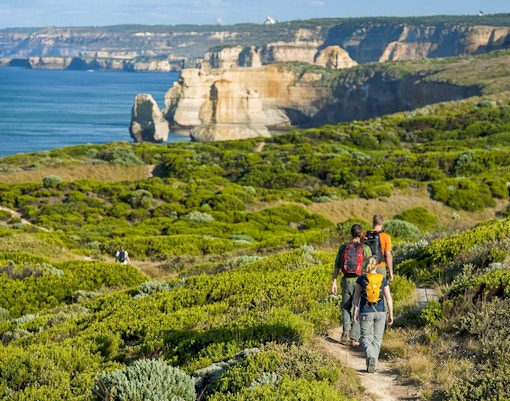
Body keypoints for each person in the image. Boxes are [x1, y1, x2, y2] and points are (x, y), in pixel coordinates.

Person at [332, 223, 372, 347]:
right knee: (358, 307)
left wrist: (334, 281)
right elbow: (370, 266)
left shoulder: (343, 247)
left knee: (345, 306)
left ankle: (346, 330)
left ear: (351, 233)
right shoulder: (365, 248)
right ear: (361, 234)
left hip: (346, 281)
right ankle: (354, 338)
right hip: (360, 282)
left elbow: (337, 265)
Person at [352, 255, 394, 373]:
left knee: (365, 338)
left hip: (366, 311)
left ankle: (371, 358)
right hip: (380, 311)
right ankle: (373, 365)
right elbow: (388, 298)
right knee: (377, 339)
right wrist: (390, 313)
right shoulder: (382, 278)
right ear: (377, 266)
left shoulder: (361, 279)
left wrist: (355, 311)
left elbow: (356, 297)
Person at [361, 214, 393, 281]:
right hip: (380, 266)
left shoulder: (364, 235)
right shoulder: (386, 236)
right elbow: (388, 255)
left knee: (367, 289)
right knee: (381, 289)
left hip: (368, 267)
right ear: (382, 223)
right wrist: (390, 271)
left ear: (373, 223)